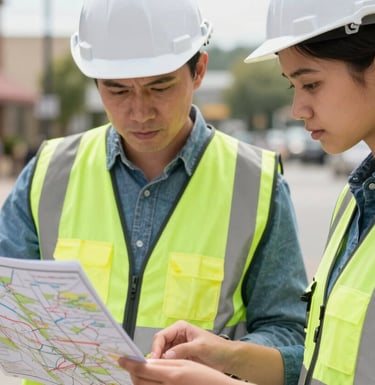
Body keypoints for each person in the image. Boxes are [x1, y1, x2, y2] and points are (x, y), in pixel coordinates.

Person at [0, 0, 308, 384]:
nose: (139, 112)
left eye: (159, 87)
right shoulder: (48, 173)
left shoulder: (255, 183)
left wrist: (221, 361)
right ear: (96, 83)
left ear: (199, 71)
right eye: (117, 91)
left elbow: (291, 335)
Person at [118, 0, 375, 384]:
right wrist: (226, 355)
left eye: (311, 84)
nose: (298, 108)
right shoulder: (355, 202)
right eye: (293, 86)